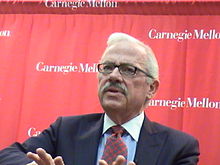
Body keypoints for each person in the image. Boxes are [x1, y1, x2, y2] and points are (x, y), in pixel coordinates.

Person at [0, 32, 200, 165]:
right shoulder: (66, 130)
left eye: (128, 70)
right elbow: (7, 156)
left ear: (152, 88)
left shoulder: (179, 147)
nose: (113, 76)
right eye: (107, 67)